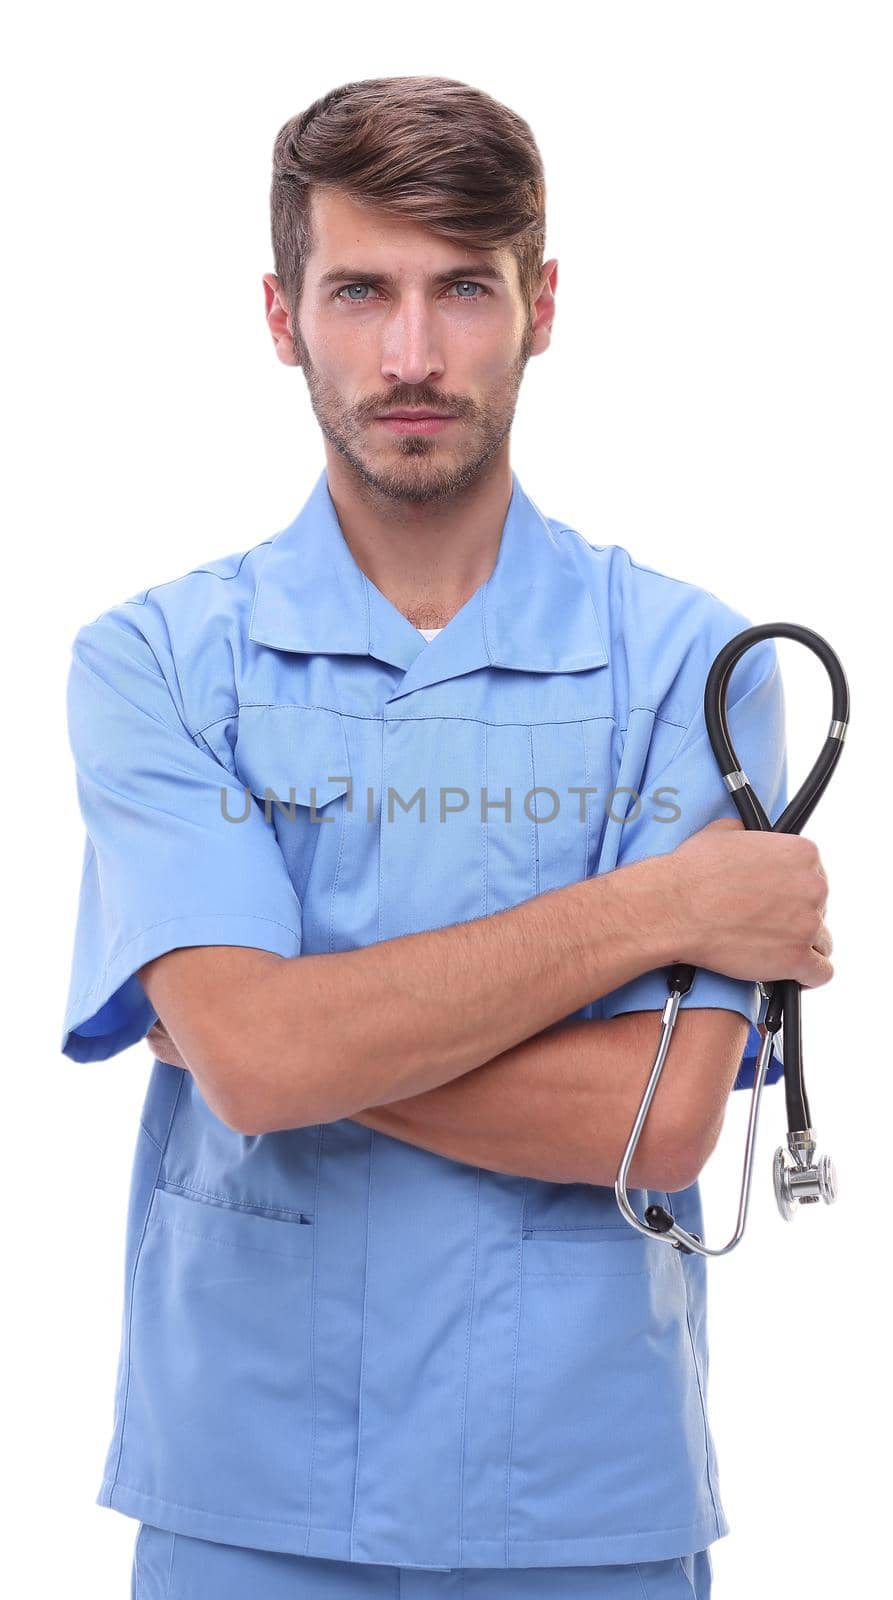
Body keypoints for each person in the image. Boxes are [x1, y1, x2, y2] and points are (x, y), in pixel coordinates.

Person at [60, 76, 833, 1600]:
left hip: (582, 1500)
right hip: (244, 1500)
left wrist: (274, 1027)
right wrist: (656, 908)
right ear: (281, 317)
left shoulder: (702, 670)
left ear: (540, 306)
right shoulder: (155, 659)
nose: (410, 355)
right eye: (359, 291)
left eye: (460, 290)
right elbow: (260, 1065)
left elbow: (655, 1125)